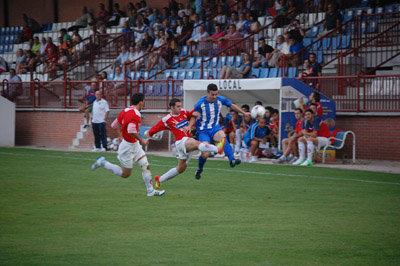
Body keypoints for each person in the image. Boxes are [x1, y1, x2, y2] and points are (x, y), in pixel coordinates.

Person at [91, 93, 165, 197]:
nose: (144, 103)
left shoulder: (125, 110)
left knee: (145, 165)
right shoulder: (135, 114)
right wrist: (142, 140)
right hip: (127, 147)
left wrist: (121, 136)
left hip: (134, 144)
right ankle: (103, 163)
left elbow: (114, 125)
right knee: (126, 174)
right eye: (143, 101)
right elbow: (131, 130)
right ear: (140, 102)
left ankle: (150, 191)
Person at [146, 98, 222, 189]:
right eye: (178, 106)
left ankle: (160, 180)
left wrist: (193, 118)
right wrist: (149, 134)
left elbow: (192, 115)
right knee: (197, 143)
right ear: (172, 107)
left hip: (187, 141)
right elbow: (153, 130)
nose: (180, 108)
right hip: (181, 142)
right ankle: (217, 149)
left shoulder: (183, 112)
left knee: (180, 169)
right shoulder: (166, 119)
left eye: (180, 106)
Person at [194, 83, 248, 180]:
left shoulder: (220, 99)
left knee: (223, 139)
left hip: (215, 128)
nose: (215, 96)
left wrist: (243, 113)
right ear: (207, 93)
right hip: (203, 131)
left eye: (216, 94)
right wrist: (190, 126)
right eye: (212, 94)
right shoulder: (200, 104)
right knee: (205, 154)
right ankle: (199, 169)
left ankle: (232, 160)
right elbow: (193, 116)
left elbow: (232, 105)